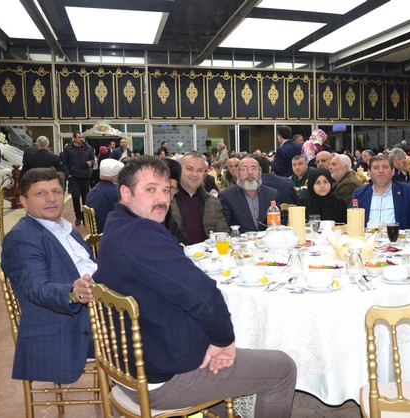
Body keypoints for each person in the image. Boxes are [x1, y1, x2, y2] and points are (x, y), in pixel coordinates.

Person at [94, 156, 297, 417]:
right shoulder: (142, 234)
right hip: (163, 378)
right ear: (126, 193)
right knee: (282, 368)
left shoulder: (116, 225)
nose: (162, 198)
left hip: (130, 365)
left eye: (166, 190)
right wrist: (224, 341)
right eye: (150, 189)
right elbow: (203, 295)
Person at [1, 168, 97, 385]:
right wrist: (73, 293)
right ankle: (144, 393)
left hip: (94, 312)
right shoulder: (22, 238)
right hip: (68, 329)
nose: (51, 198)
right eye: (40, 193)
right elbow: (36, 287)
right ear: (24, 202)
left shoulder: (65, 229)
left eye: (56, 191)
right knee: (149, 330)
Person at [351, 155, 410, 229]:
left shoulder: (408, 192)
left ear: (393, 171)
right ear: (369, 172)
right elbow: (351, 220)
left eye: (385, 167)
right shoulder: (359, 194)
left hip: (398, 236)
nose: (381, 171)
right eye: (376, 167)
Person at [170, 152, 228, 244]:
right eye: (189, 169)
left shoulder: (213, 202)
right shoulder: (168, 200)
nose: (195, 174)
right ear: (179, 170)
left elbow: (223, 234)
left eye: (200, 170)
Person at [218, 157, 279, 233]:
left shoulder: (271, 194)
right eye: (244, 169)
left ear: (260, 172)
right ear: (237, 174)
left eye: (253, 169)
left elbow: (279, 224)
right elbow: (225, 228)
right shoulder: (226, 196)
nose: (250, 172)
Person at [61, 131, 95, 226]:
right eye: (79, 137)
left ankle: (85, 217)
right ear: (74, 138)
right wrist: (68, 174)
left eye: (82, 137)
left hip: (85, 176)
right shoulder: (68, 149)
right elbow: (64, 162)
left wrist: (91, 162)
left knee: (86, 198)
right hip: (74, 177)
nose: (81, 139)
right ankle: (78, 217)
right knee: (75, 197)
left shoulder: (88, 148)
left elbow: (93, 158)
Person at [85, 159, 123, 233]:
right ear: (117, 175)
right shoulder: (117, 192)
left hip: (96, 231)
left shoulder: (93, 191)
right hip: (110, 232)